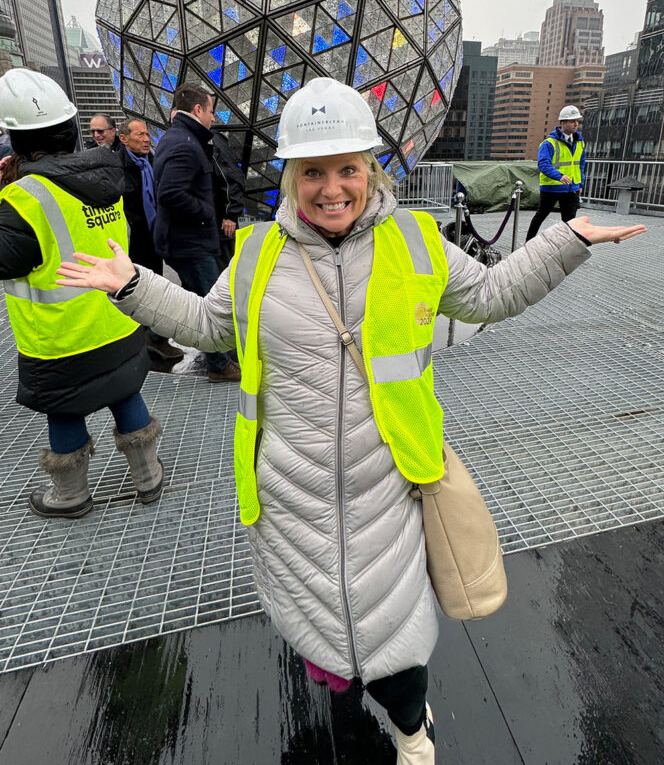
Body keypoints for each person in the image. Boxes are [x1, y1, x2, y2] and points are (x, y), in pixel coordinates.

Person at [57, 77, 645, 764]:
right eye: (314, 171)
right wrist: (132, 285)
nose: (332, 188)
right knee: (323, 645)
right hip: (289, 492)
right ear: (290, 177)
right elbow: (205, 323)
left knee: (396, 646)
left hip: (389, 483)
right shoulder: (255, 255)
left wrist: (565, 242)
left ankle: (410, 731)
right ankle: (354, 709)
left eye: (348, 169)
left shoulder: (415, 241)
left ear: (370, 170)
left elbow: (490, 294)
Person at [0, 68, 164, 519]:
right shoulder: (106, 179)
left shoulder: (22, 199)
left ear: (15, 141)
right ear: (72, 129)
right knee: (126, 392)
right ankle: (148, 477)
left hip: (61, 338)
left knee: (65, 411)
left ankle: (70, 496)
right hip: (116, 319)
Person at [152, 85, 240, 383]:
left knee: (189, 296)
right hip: (191, 242)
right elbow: (170, 193)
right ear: (198, 110)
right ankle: (218, 364)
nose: (214, 118)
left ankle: (154, 336)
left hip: (180, 240)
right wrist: (207, 212)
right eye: (212, 110)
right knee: (211, 304)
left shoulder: (175, 137)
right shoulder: (186, 144)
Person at [116, 118, 183, 364]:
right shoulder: (116, 167)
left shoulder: (152, 162)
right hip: (132, 242)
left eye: (147, 134)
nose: (146, 139)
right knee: (135, 291)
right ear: (124, 139)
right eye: (140, 135)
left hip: (153, 236)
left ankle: (154, 340)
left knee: (154, 286)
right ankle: (141, 344)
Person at [525, 105, 585, 241]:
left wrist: (580, 183)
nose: (576, 124)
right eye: (572, 121)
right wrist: (559, 176)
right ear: (563, 123)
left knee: (569, 222)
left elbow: (580, 165)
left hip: (571, 188)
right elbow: (543, 164)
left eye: (577, 121)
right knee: (541, 215)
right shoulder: (549, 143)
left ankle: (565, 248)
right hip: (551, 187)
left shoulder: (580, 143)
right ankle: (528, 242)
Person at [211, 127, 246, 271]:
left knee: (224, 267)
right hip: (212, 221)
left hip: (222, 221)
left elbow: (233, 177)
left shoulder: (211, 140)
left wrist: (231, 214)